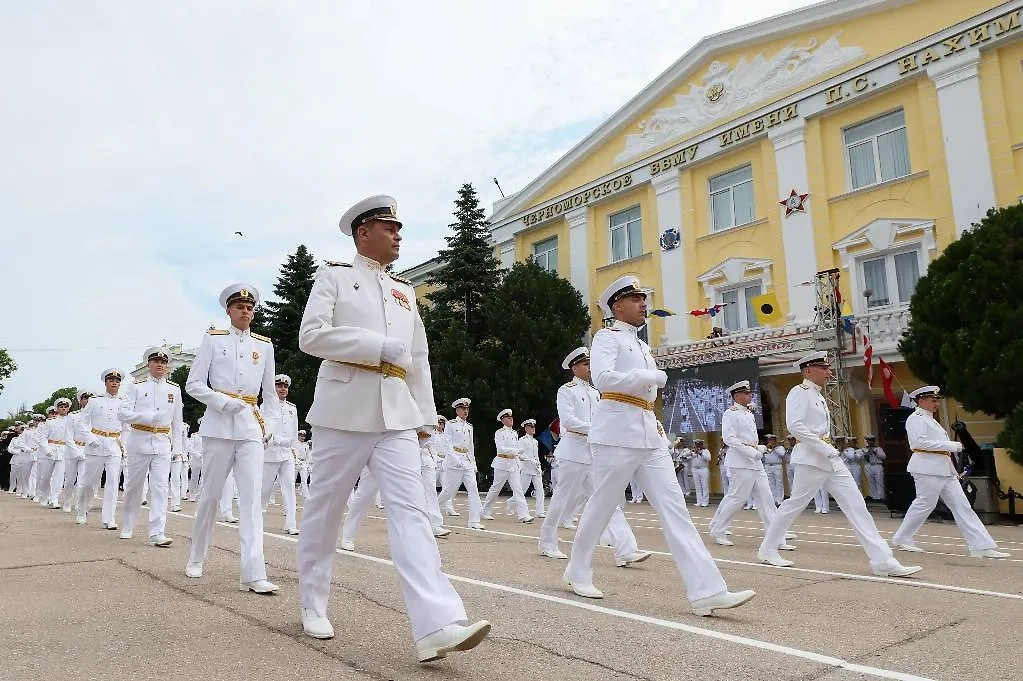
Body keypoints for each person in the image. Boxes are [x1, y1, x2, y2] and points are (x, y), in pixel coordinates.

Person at [295, 195, 489, 661]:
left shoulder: (404, 292)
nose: (399, 235)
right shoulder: (335, 277)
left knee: (413, 513)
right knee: (326, 511)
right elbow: (311, 336)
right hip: (344, 408)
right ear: (364, 232)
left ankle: (436, 626)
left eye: (399, 228)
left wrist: (425, 418)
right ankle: (313, 602)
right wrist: (376, 345)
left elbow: (418, 358)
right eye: (390, 227)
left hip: (397, 415)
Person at [562, 276, 755, 616]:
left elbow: (643, 396)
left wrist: (654, 415)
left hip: (648, 433)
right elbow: (603, 378)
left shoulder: (641, 345)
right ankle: (577, 570)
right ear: (617, 306)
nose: (643, 304)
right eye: (635, 299)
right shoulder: (607, 337)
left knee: (675, 510)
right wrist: (650, 377)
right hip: (616, 433)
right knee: (603, 505)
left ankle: (707, 591)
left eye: (643, 298)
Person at [758, 351, 921, 577]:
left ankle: (883, 560)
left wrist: (829, 451)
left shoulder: (819, 395)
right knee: (794, 505)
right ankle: (767, 548)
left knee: (857, 507)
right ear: (808, 371)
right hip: (812, 458)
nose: (829, 372)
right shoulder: (799, 392)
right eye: (823, 368)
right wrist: (825, 448)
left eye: (828, 368)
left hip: (829, 459)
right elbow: (795, 426)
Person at [185, 283, 281, 594]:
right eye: (240, 307)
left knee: (252, 500)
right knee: (211, 496)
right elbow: (194, 384)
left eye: (250, 307)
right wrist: (222, 402)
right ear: (229, 310)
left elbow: (270, 394)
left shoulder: (264, 346)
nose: (246, 311)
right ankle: (197, 556)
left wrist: (269, 426)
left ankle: (253, 573)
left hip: (250, 428)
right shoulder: (213, 340)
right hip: (218, 427)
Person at [538, 346, 649, 567]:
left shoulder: (594, 392)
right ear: (574, 367)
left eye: (591, 364)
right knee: (562, 500)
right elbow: (568, 422)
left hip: (592, 453)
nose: (590, 368)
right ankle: (547, 542)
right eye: (586, 364)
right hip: (572, 452)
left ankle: (625, 549)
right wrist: (597, 429)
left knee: (608, 501)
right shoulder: (566, 390)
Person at [890, 386, 1008, 559]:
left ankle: (981, 546)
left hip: (944, 469)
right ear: (921, 401)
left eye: (937, 400)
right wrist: (953, 446)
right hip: (927, 468)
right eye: (933, 400)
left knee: (962, 506)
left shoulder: (930, 419)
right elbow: (918, 444)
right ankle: (902, 538)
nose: (936, 403)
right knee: (925, 504)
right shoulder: (916, 419)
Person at [707, 381, 793, 551]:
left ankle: (776, 536)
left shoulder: (748, 413)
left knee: (766, 499)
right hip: (740, 462)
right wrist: (751, 452)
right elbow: (730, 438)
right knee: (737, 498)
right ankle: (718, 530)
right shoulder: (730, 414)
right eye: (746, 394)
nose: (749, 396)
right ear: (736, 396)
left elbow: (749, 438)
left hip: (754, 462)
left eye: (749, 393)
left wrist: (758, 447)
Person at [117, 347, 183, 547]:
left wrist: (178, 448)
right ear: (149, 364)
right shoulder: (136, 387)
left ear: (167, 365)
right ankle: (128, 525)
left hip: (162, 442)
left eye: (163, 362)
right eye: (156, 361)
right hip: (139, 439)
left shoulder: (174, 389)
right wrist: (145, 416)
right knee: (134, 487)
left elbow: (177, 421)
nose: (160, 365)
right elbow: (123, 414)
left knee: (160, 488)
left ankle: (157, 532)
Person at [74, 370, 125, 528]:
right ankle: (82, 509)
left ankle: (109, 518)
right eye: (111, 380)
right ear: (105, 382)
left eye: (117, 380)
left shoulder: (124, 402)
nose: (114, 382)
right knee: (89, 482)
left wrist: (124, 444)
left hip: (114, 444)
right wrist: (90, 438)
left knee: (112, 481)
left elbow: (128, 426)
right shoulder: (94, 401)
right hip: (96, 443)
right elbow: (81, 423)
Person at [261, 374, 300, 535]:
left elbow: (294, 433)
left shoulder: (292, 408)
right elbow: (264, 430)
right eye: (279, 386)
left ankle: (291, 523)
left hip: (287, 454)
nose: (283, 389)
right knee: (264, 489)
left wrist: (295, 453)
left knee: (289, 488)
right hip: (270, 453)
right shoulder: (266, 406)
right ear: (273, 388)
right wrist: (277, 440)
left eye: (285, 386)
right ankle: (257, 516)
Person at [437, 398, 485, 529]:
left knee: (473, 489)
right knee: (449, 491)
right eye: (463, 409)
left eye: (467, 409)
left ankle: (474, 521)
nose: (465, 411)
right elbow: (448, 445)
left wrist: (473, 463)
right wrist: (457, 461)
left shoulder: (469, 427)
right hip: (454, 463)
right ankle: (434, 509)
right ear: (457, 410)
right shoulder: (450, 425)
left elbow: (470, 446)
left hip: (467, 461)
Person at [481, 409, 533, 523]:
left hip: (513, 465)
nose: (511, 420)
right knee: (495, 489)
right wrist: (516, 451)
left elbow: (517, 451)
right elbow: (500, 449)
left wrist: (521, 455)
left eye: (511, 418)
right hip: (502, 464)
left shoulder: (514, 433)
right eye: (508, 418)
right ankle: (485, 511)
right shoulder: (499, 433)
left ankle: (523, 515)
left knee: (518, 490)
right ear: (503, 420)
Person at [516, 419, 545, 518]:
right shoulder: (522, 440)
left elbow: (536, 456)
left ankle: (540, 511)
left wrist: (539, 467)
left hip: (535, 469)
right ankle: (511, 503)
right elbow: (520, 454)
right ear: (526, 428)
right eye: (531, 427)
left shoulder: (535, 441)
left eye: (534, 427)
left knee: (540, 489)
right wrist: (530, 460)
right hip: (526, 468)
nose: (533, 429)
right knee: (522, 490)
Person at [861, 435, 886, 501]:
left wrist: (875, 452)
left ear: (873, 441)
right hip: (868, 465)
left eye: (871, 441)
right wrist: (865, 454)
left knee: (879, 481)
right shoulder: (864, 449)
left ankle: (880, 497)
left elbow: (883, 457)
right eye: (868, 441)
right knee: (871, 482)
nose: (869, 442)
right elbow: (861, 458)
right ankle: (874, 496)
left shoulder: (878, 449)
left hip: (877, 465)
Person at [763, 434, 785, 505]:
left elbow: (782, 454)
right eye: (769, 439)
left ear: (775, 440)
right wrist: (767, 448)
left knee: (779, 483)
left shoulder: (780, 447)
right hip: (768, 466)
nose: (770, 441)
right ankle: (773, 499)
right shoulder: (765, 448)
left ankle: (780, 500)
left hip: (777, 465)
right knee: (771, 483)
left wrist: (774, 447)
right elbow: (762, 457)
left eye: (772, 439)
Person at [690, 439, 711, 507]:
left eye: (699, 444)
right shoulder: (693, 451)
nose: (698, 446)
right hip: (695, 469)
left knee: (704, 486)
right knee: (697, 486)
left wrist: (700, 453)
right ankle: (699, 501)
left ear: (702, 445)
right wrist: (693, 452)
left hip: (703, 469)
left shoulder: (705, 451)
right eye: (696, 444)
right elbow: (686, 455)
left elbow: (708, 458)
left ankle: (705, 502)